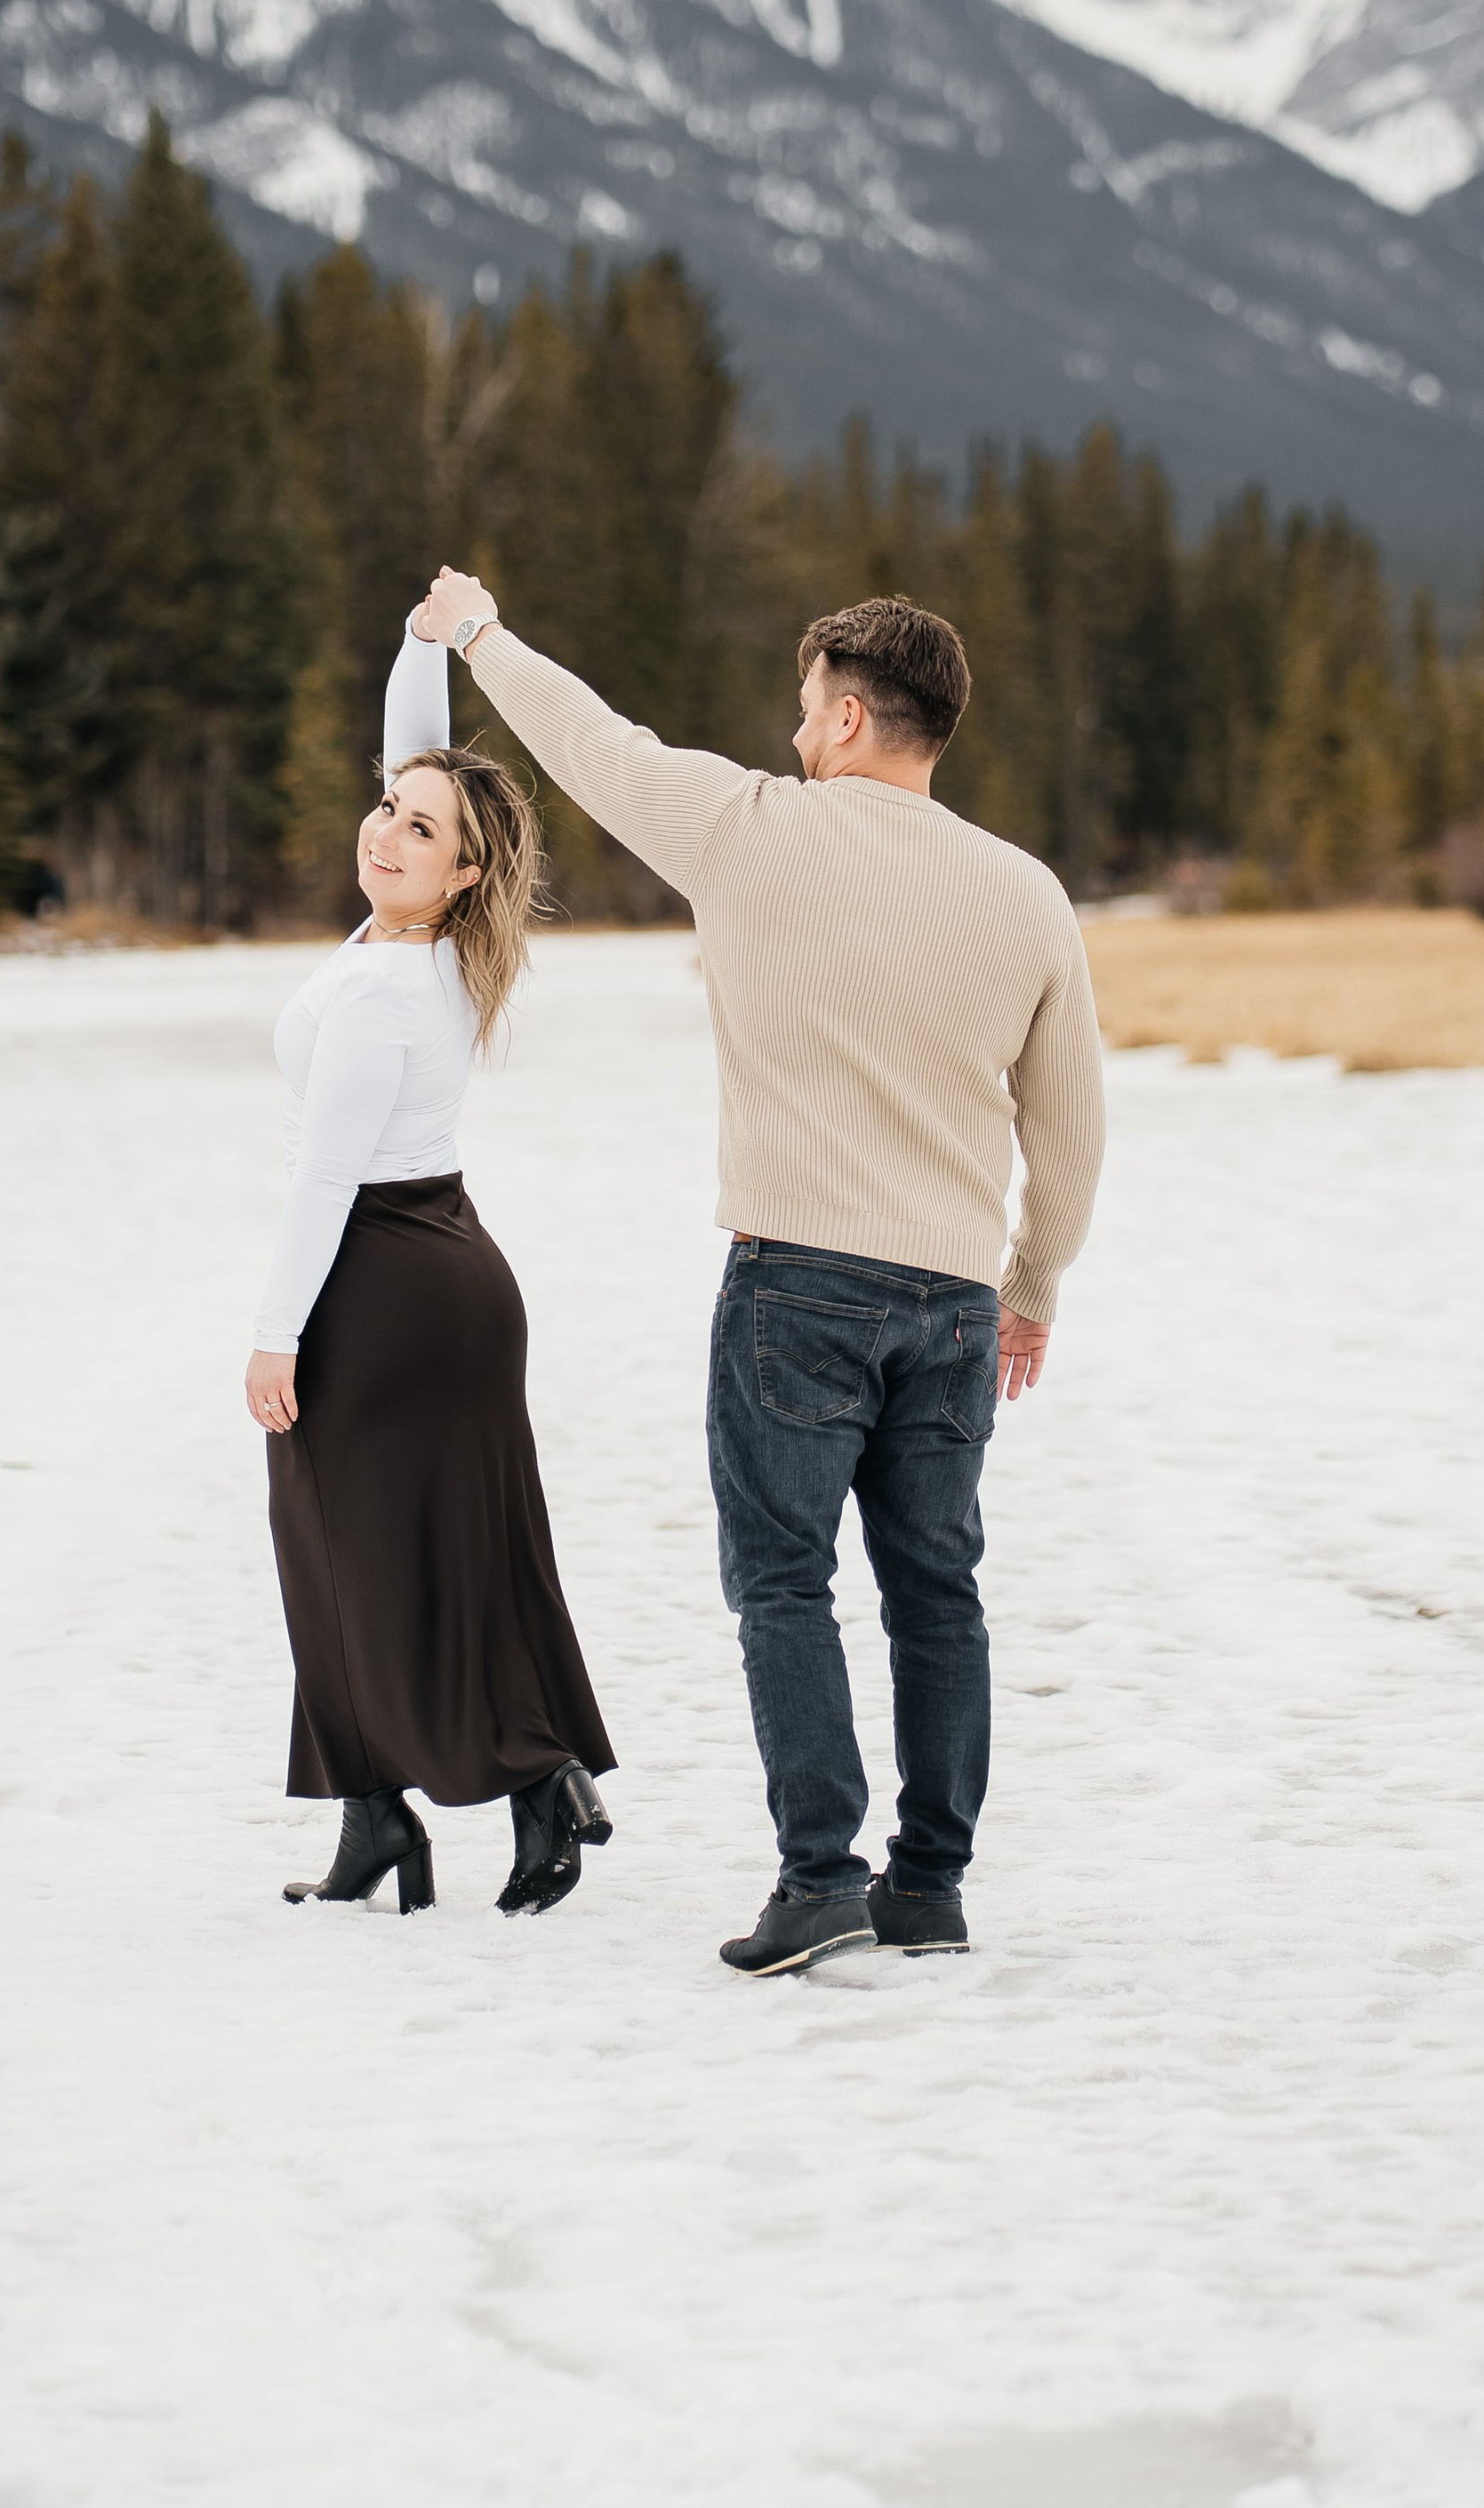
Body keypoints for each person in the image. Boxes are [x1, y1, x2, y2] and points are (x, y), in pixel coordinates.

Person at [413, 575, 1105, 1975]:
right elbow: (1072, 1125)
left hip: (798, 1286)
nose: (794, 736)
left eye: (804, 712)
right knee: (939, 1592)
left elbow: (592, 745)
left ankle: (820, 1877)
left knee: (786, 1585)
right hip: (954, 1305)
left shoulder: (746, 830)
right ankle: (929, 1887)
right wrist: (1030, 1283)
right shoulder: (1029, 894)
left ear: (848, 717)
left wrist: (478, 633)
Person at [243, 617, 614, 1921]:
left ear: (463, 873)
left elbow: (323, 1181)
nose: (384, 831)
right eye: (383, 811)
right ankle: (457, 1802)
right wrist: (422, 642)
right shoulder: (439, 947)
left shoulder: (382, 994)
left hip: (383, 1285)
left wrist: (275, 1334)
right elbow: (425, 763)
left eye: (416, 831)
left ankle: (454, 1797)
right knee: (458, 1554)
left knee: (341, 1557)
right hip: (449, 1274)